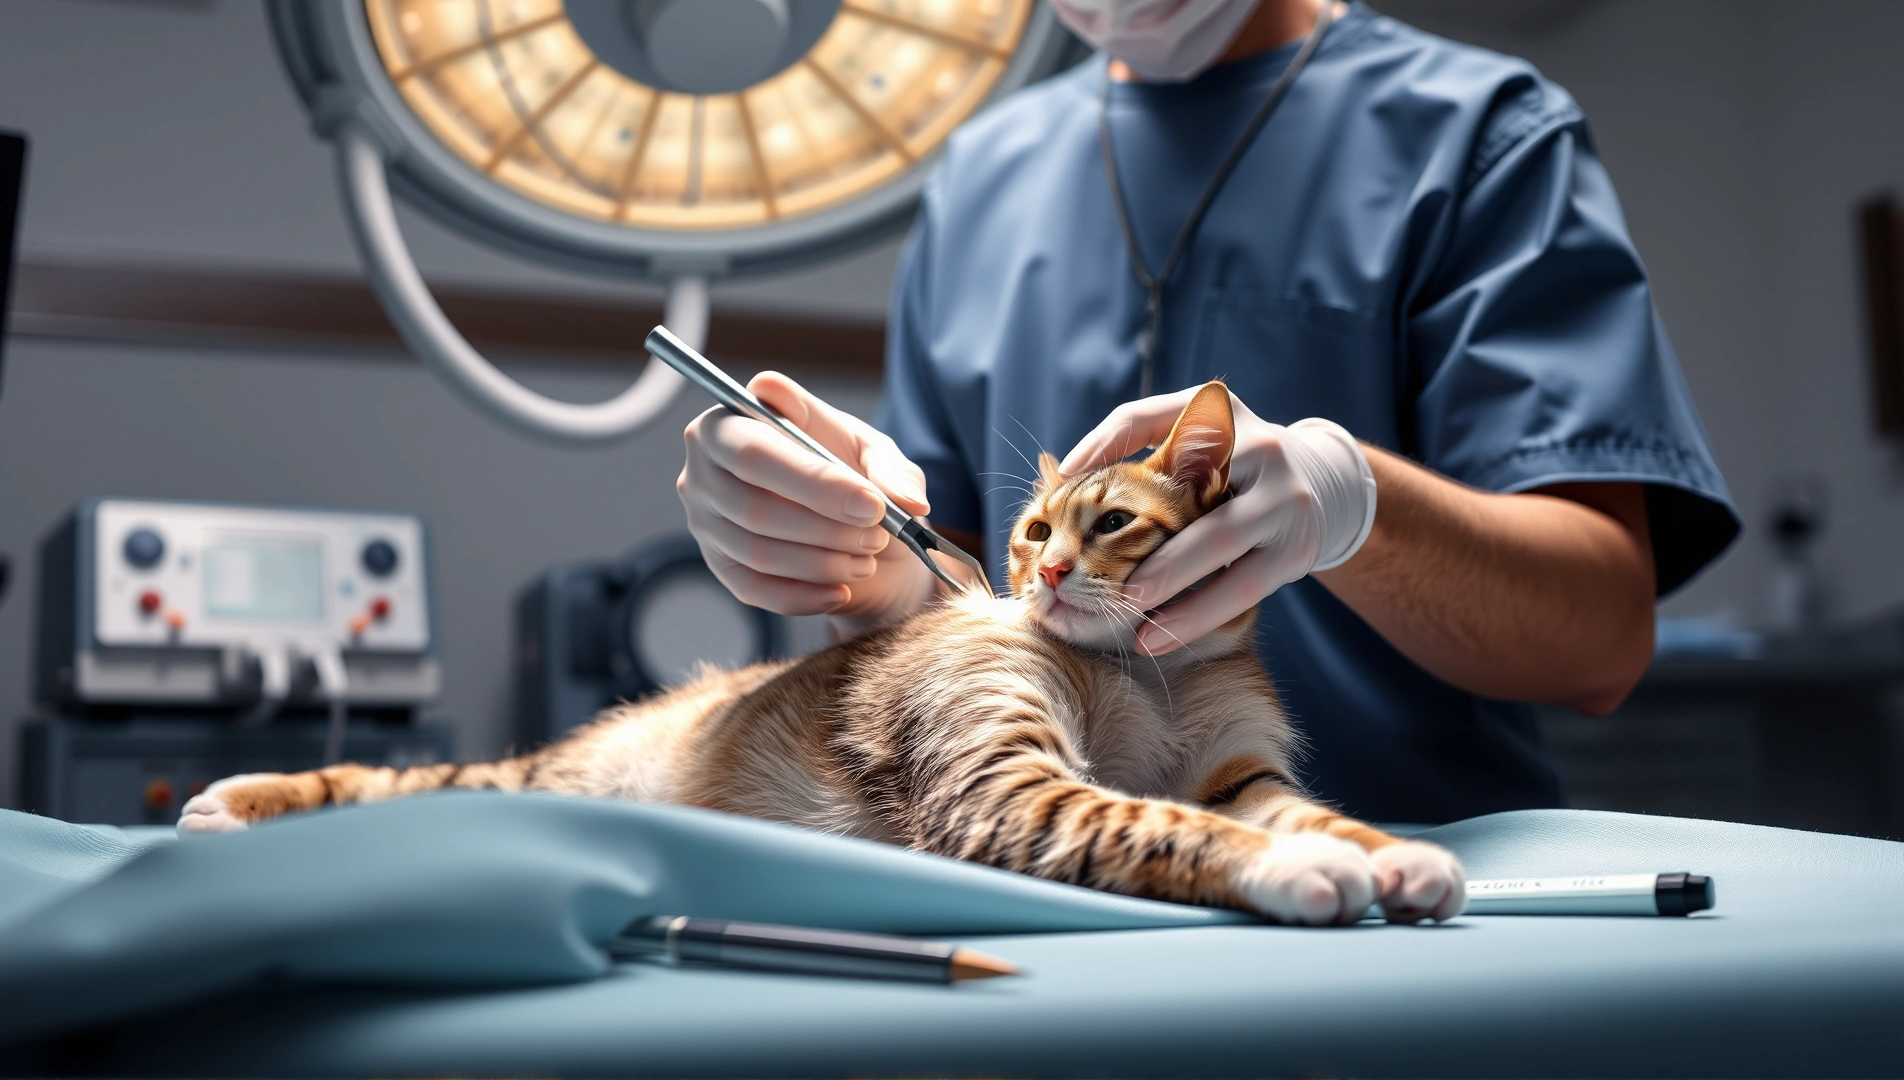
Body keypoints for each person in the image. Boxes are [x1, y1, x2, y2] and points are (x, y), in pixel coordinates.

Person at [677, 0, 1739, 824]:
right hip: (1053, 896)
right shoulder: (981, 180)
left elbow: (1596, 645)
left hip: (1412, 912)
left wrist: (1354, 508)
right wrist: (870, 571)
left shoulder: (1479, 137)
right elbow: (950, 597)